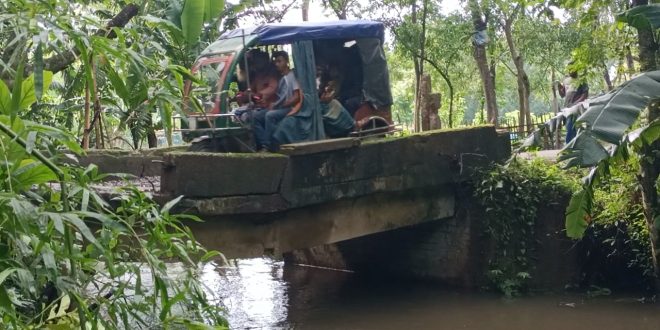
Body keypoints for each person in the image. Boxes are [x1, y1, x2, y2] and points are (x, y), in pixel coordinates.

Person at [253, 50, 301, 151]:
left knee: (269, 115)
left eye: (280, 61)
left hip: (289, 108)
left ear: (287, 61)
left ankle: (267, 145)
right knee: (255, 117)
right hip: (279, 106)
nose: (277, 64)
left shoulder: (291, 76)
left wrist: (282, 105)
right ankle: (263, 143)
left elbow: (296, 96)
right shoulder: (281, 77)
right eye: (275, 62)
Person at [557, 65, 589, 143]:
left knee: (572, 126)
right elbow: (562, 95)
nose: (570, 71)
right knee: (570, 127)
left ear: (576, 69)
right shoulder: (566, 80)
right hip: (567, 108)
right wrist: (558, 87)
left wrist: (575, 103)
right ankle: (573, 147)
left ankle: (569, 147)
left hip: (577, 108)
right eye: (569, 70)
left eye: (572, 69)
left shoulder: (582, 80)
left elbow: (585, 95)